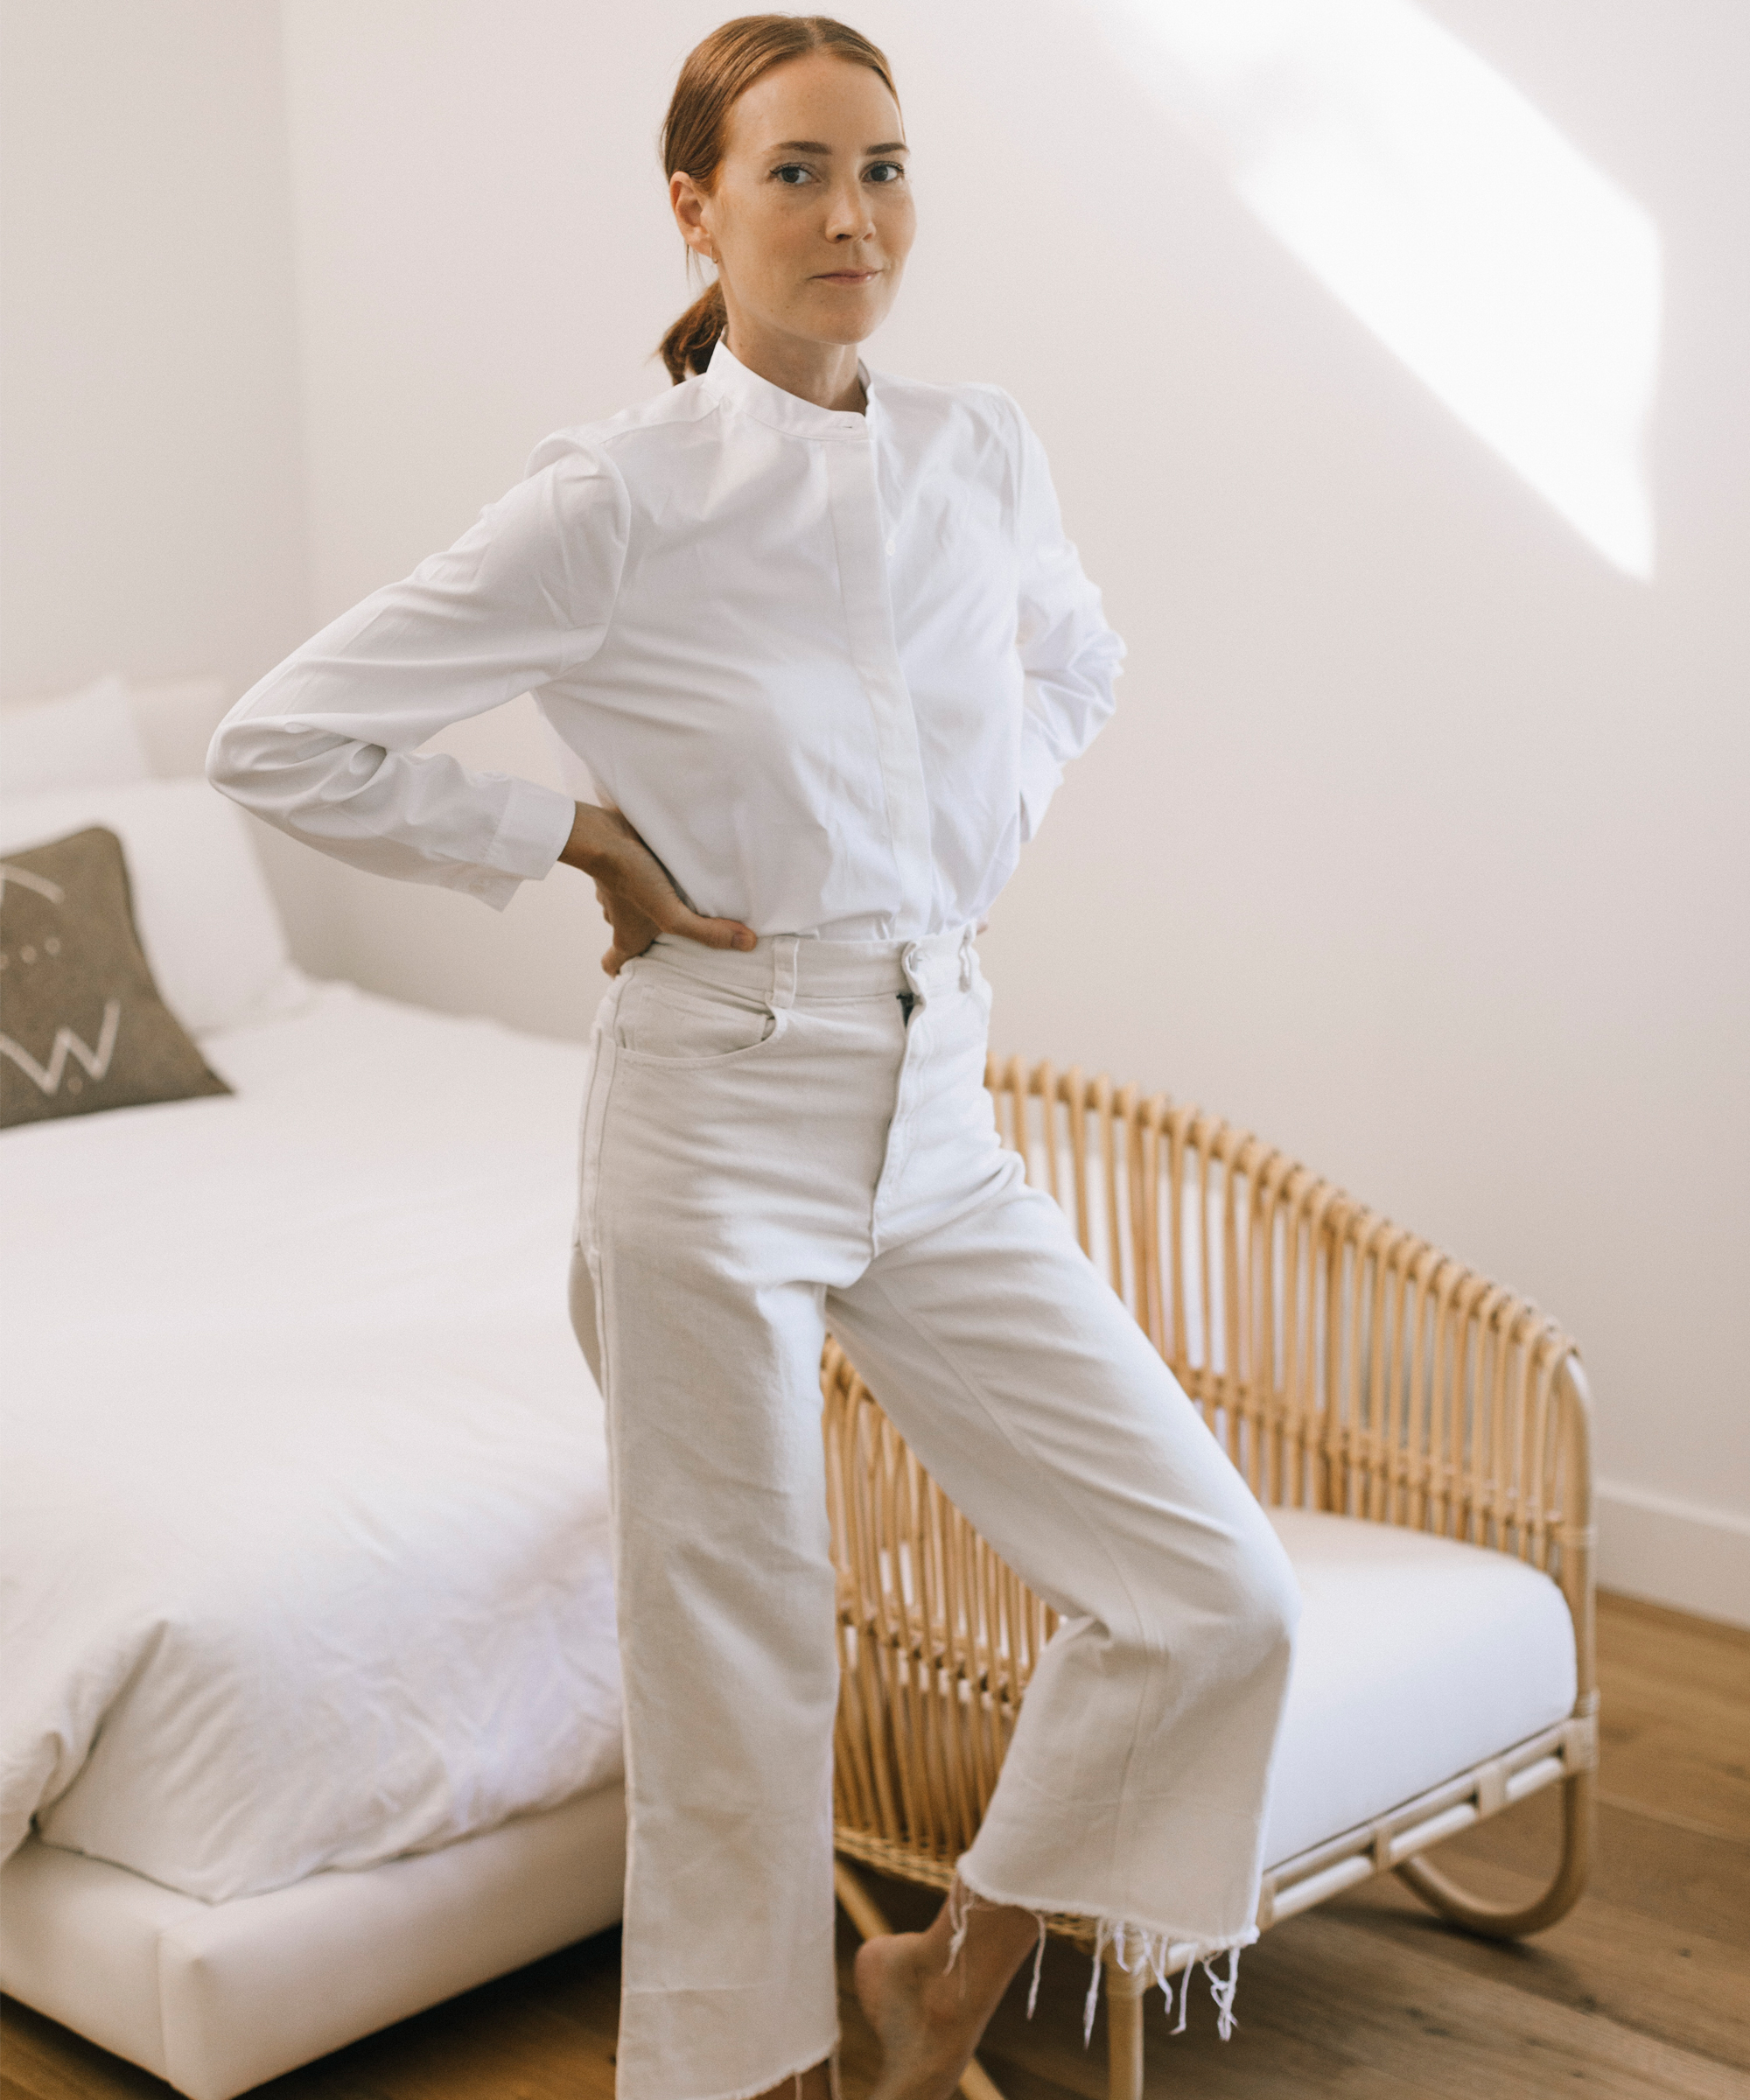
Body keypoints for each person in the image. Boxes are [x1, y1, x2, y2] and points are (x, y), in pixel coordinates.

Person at [206, 17, 1301, 2100]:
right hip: (711, 1110)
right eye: (795, 172)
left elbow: (1077, 653)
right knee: (735, 1686)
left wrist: (964, 847)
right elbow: (286, 735)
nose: (851, 215)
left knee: (1207, 1591)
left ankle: (934, 1996)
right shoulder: (618, 496)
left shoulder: (982, 448)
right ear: (696, 210)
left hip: (937, 1104)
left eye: (883, 168)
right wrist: (565, 831)